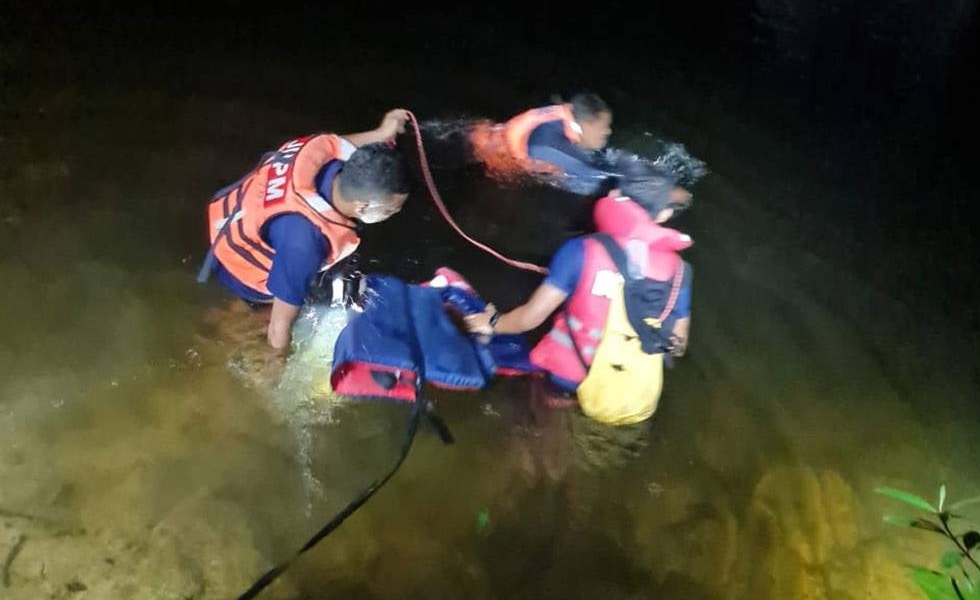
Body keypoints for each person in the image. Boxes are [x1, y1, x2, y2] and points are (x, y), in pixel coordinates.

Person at [464, 163, 694, 425]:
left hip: (566, 379)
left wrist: (492, 322)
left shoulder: (582, 250)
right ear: (663, 214)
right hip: (624, 386)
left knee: (538, 423)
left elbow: (530, 318)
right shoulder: (680, 270)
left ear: (614, 196)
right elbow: (678, 344)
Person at [199, 109, 411, 351]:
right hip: (241, 268)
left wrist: (382, 133)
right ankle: (223, 320)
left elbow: (340, 144)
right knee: (262, 319)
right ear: (362, 206)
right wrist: (277, 366)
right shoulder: (304, 244)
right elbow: (279, 327)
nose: (395, 213)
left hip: (240, 218)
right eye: (391, 209)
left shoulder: (317, 151)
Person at [469, 92, 615, 194]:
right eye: (603, 127)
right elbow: (593, 181)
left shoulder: (562, 118)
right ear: (581, 126)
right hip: (497, 161)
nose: (608, 131)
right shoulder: (552, 150)